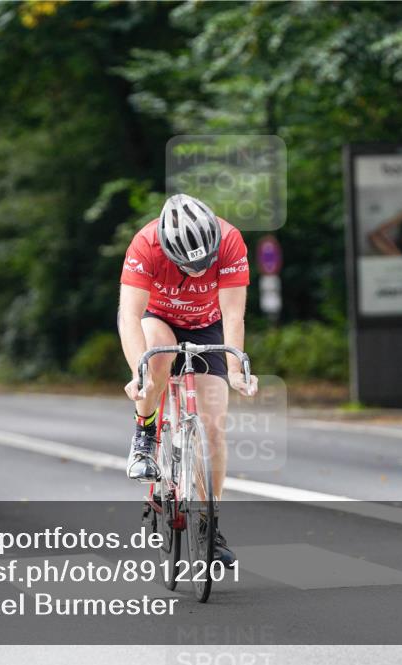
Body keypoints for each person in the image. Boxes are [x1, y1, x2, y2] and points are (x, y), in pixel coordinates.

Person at [118, 193, 258, 567]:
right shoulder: (145, 244)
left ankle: (209, 528)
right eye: (187, 264)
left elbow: (233, 315)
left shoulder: (229, 241)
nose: (198, 270)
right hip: (158, 319)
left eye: (205, 263)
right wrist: (139, 374)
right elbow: (128, 316)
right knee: (157, 360)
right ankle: (145, 435)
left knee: (213, 426)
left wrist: (233, 369)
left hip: (209, 324)